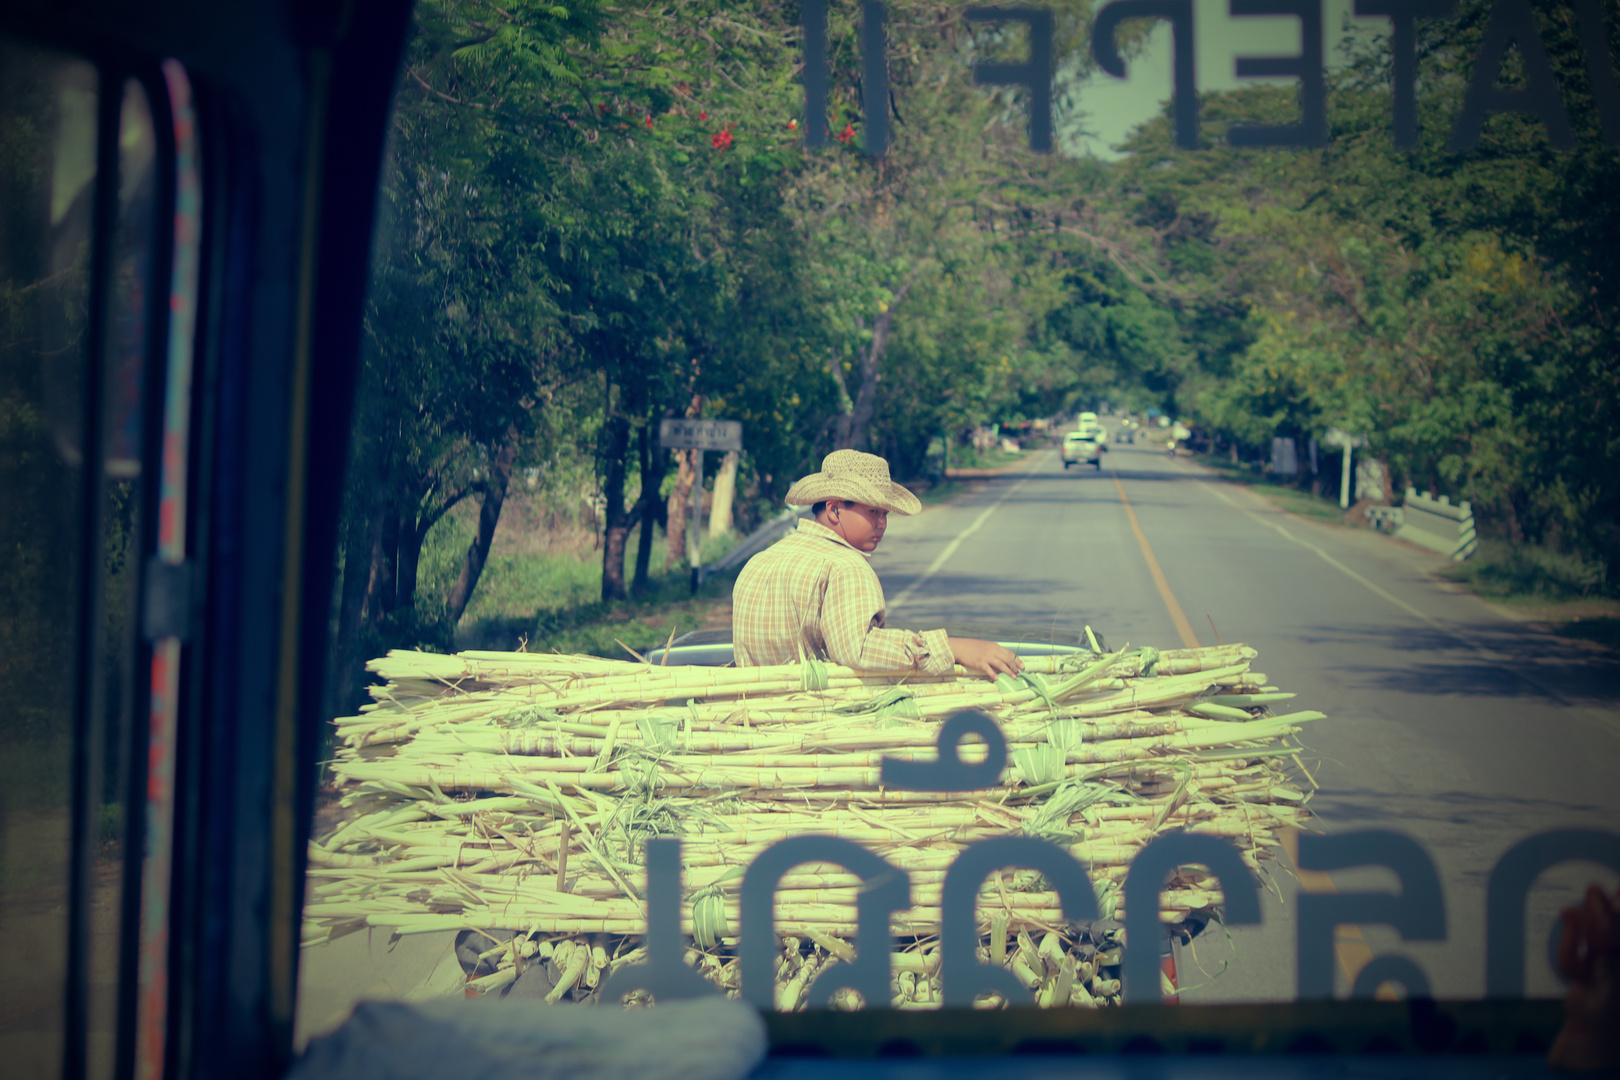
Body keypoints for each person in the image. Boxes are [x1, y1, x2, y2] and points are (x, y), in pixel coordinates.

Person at [732, 449, 1023, 679]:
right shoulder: (846, 566)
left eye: (885, 514)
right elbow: (858, 650)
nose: (882, 523)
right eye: (873, 511)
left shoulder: (760, 561)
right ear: (834, 509)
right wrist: (952, 648)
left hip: (754, 720)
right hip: (813, 725)